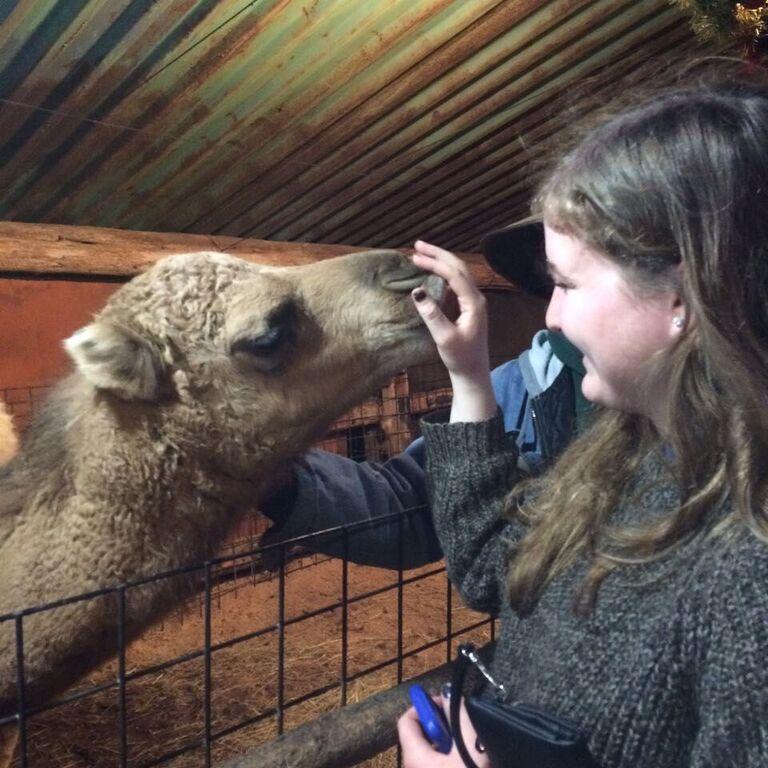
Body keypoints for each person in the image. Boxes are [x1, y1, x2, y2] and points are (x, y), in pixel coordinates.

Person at [397, 70, 768, 767]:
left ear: (683, 294)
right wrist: (470, 375)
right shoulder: (633, 450)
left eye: (566, 282)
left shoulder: (749, 570)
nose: (551, 315)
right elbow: (493, 567)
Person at [258, 225, 590, 569]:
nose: (552, 316)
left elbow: (485, 573)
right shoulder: (521, 386)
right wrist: (271, 474)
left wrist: (470, 381)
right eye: (553, 283)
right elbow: (417, 504)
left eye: (574, 284)